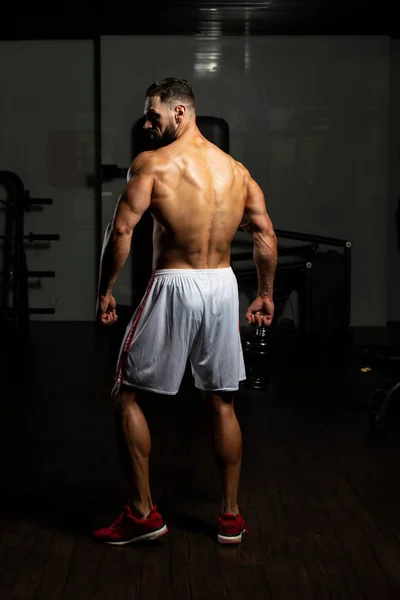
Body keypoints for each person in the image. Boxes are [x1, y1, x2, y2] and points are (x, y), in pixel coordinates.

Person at [93, 77, 277, 545]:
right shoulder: (237, 171)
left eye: (153, 115)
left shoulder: (152, 166)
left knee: (126, 395)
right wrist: (265, 293)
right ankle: (231, 517)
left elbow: (121, 234)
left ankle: (141, 514)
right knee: (221, 400)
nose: (146, 123)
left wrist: (105, 290)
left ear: (180, 113)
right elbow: (264, 236)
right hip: (221, 287)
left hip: (173, 284)